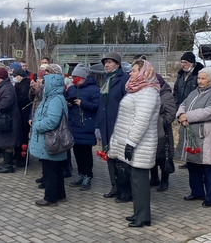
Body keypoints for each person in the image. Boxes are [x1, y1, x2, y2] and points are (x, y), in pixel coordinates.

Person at [107, 59, 161, 227]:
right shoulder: (136, 90)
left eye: (135, 70)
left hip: (140, 144)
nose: (130, 73)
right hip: (132, 142)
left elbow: (141, 121)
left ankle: (143, 216)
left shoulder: (148, 93)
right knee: (135, 181)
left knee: (140, 182)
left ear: (145, 73)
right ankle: (139, 213)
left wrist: (131, 143)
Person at [176, 68, 211, 208]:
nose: (200, 81)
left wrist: (188, 116)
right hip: (192, 134)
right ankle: (197, 192)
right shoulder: (194, 92)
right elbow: (183, 105)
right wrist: (180, 116)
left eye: (203, 79)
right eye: (199, 78)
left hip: (205, 135)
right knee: (193, 164)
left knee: (207, 167)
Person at [28, 65, 69, 206]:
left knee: (50, 170)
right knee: (55, 169)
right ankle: (60, 195)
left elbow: (52, 121)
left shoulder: (55, 100)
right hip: (50, 140)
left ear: (51, 84)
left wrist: (37, 125)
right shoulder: (52, 97)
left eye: (45, 83)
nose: (43, 85)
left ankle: (50, 198)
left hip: (51, 139)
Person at [95, 52, 130, 202]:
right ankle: (114, 186)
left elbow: (127, 104)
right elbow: (101, 104)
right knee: (109, 157)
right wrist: (98, 125)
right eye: (105, 62)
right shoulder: (106, 79)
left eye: (110, 62)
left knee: (120, 159)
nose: (107, 65)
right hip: (106, 125)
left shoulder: (124, 79)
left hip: (119, 125)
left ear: (117, 64)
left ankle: (126, 190)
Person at [65, 64, 100, 191]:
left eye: (77, 77)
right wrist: (69, 103)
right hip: (74, 125)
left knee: (86, 153)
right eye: (73, 77)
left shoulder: (94, 89)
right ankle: (80, 174)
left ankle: (88, 176)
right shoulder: (71, 89)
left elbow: (97, 106)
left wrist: (83, 103)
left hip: (86, 126)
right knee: (77, 152)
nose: (75, 80)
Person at [173, 51, 205, 169]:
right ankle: (188, 158)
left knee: (195, 136)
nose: (183, 64)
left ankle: (196, 159)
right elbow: (176, 91)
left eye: (185, 62)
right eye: (181, 62)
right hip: (182, 110)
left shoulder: (198, 75)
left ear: (192, 63)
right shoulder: (181, 75)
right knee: (186, 136)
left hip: (194, 110)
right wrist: (177, 107)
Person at [0, 67, 22, 173]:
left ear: (1, 78)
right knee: (4, 142)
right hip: (6, 119)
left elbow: (6, 103)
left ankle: (8, 165)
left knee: (8, 143)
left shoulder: (7, 88)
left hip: (9, 119)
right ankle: (6, 163)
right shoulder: (3, 86)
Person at [11, 66, 32, 167]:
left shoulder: (24, 86)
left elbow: (21, 100)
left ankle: (23, 158)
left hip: (23, 115)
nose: (14, 78)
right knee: (20, 136)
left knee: (23, 137)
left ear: (20, 76)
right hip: (21, 114)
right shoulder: (20, 84)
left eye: (15, 76)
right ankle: (19, 156)